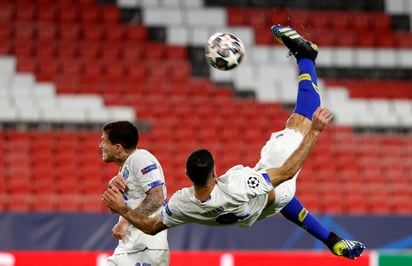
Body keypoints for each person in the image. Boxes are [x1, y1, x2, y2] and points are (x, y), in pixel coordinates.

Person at [102, 25, 365, 260]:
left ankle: (331, 239)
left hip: (257, 212)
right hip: (268, 191)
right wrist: (315, 132)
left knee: (278, 197)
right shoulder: (237, 186)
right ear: (216, 173)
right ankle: (306, 57)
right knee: (302, 121)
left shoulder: (183, 204)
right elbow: (285, 173)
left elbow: (150, 226)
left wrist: (123, 210)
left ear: (187, 176)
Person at [99, 120, 169, 266]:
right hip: (128, 248)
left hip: (145, 249)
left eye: (104, 141)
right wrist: (113, 190)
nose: (100, 146)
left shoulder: (140, 158)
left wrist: (125, 221)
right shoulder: (125, 168)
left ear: (118, 147)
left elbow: (157, 197)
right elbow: (116, 208)